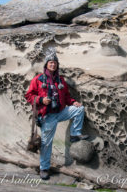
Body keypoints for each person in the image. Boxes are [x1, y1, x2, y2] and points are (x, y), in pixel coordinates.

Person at [25, 49, 89, 180]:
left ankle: (75, 134)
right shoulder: (38, 79)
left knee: (79, 109)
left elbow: (66, 96)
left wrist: (73, 102)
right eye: (50, 63)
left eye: (55, 63)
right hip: (47, 117)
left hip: (60, 112)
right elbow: (29, 96)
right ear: (46, 64)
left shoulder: (60, 80)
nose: (53, 65)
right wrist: (42, 100)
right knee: (46, 144)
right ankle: (44, 168)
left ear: (57, 65)